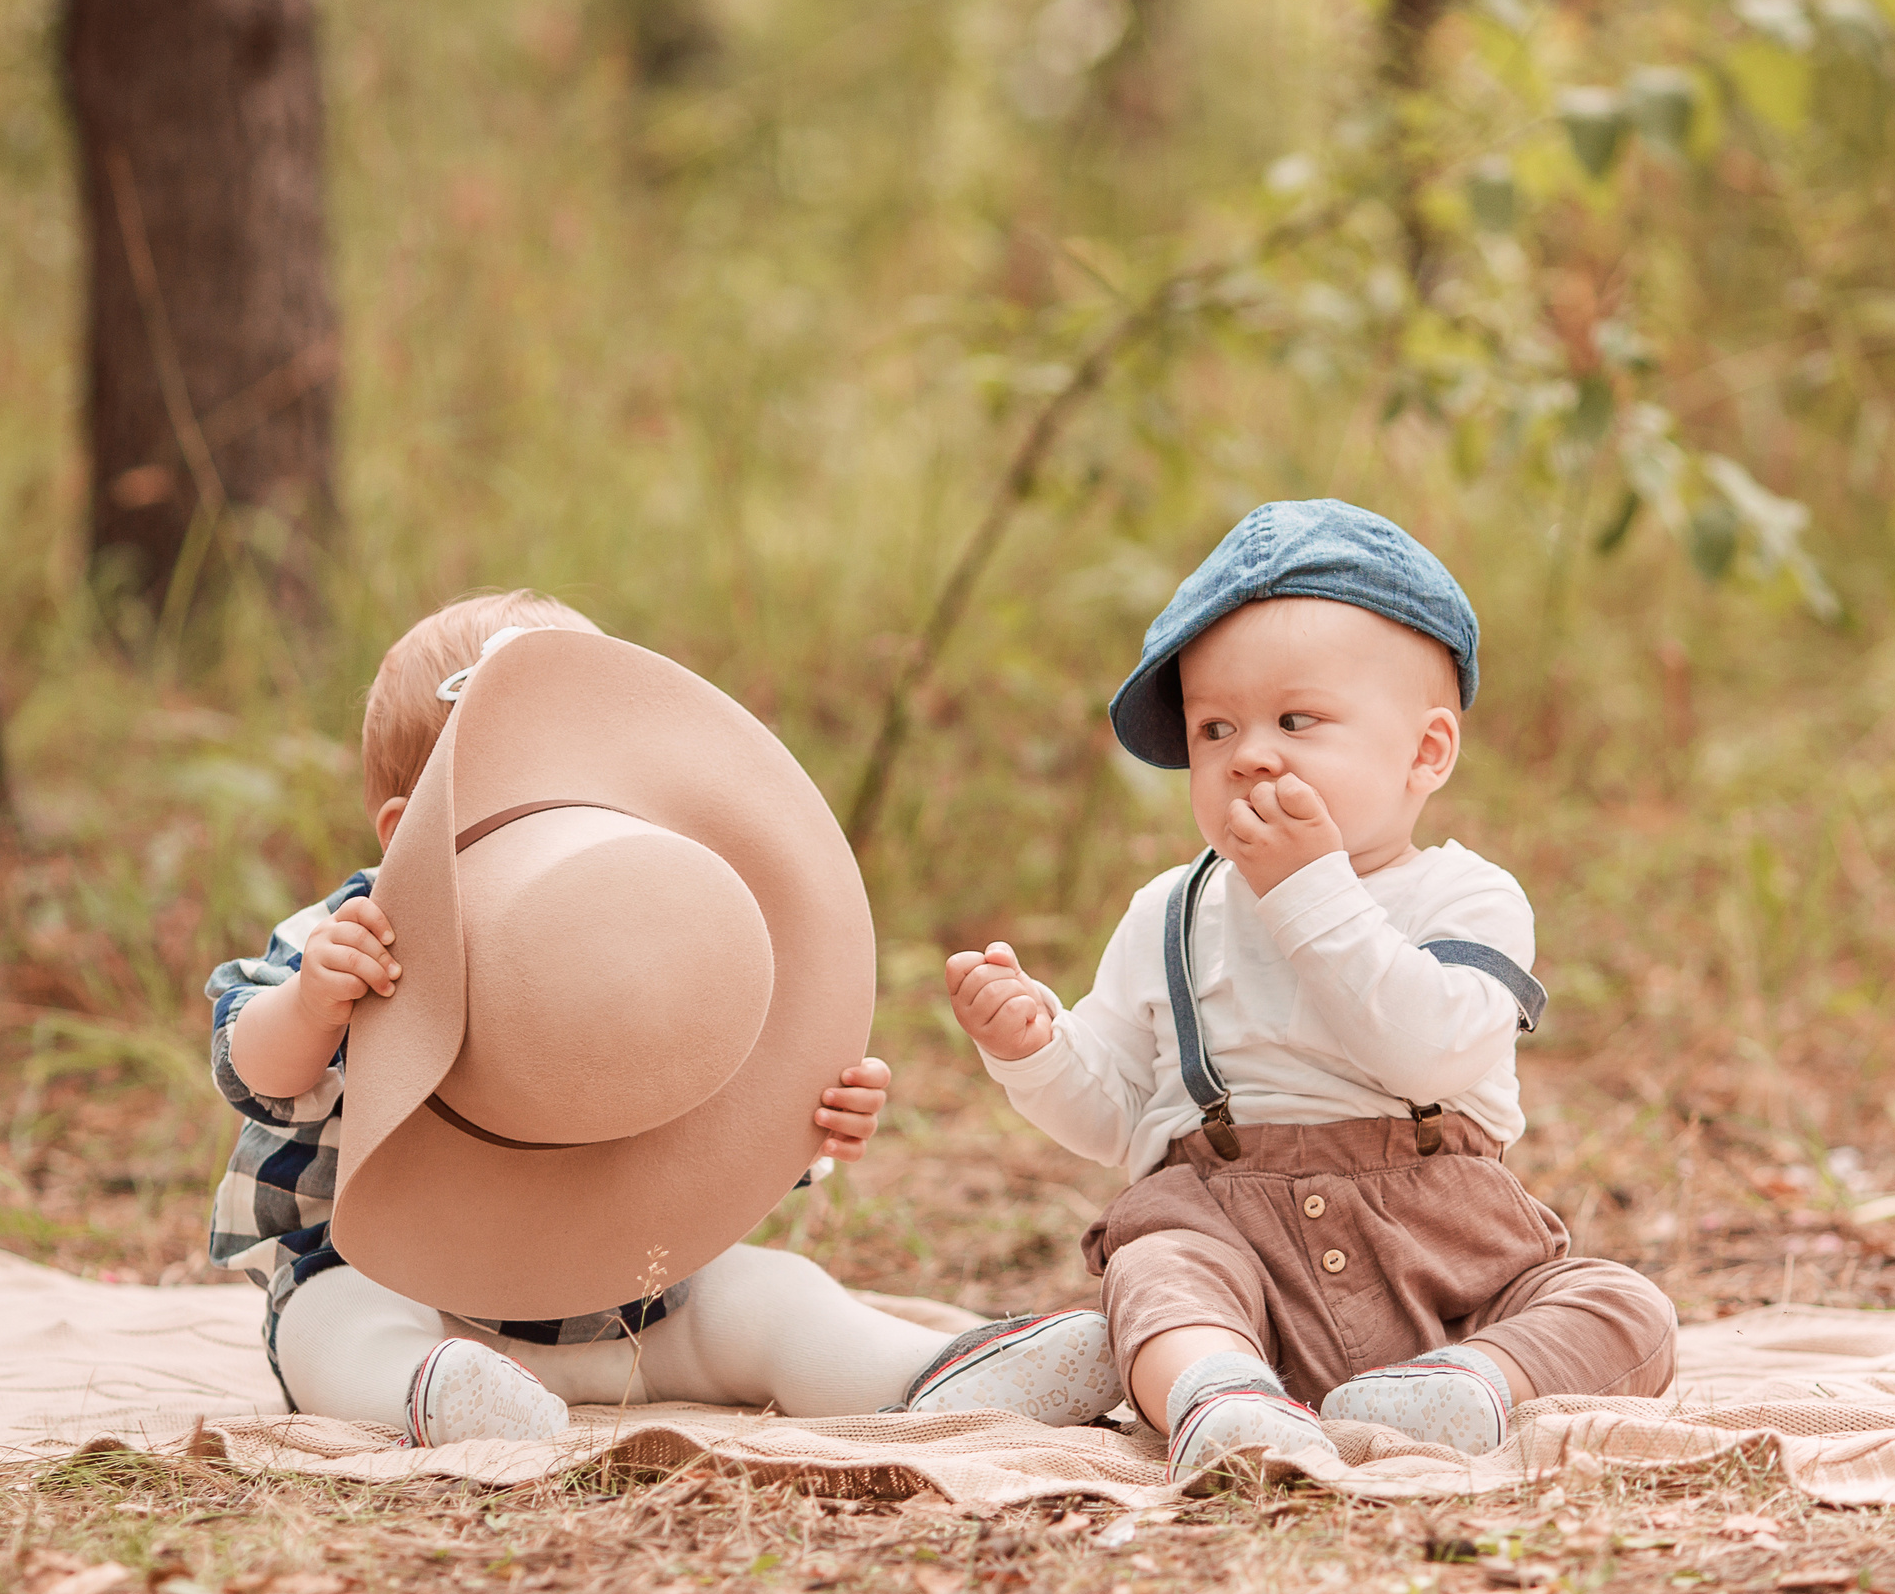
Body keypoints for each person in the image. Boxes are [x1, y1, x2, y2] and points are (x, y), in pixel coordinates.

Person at [210, 591, 1123, 1445]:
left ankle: (930, 1373)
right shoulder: (350, 937)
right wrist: (311, 1006)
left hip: (637, 1302)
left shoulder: (657, 916)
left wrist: (811, 1122)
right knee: (333, 1321)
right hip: (409, 1290)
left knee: (777, 1298)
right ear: (404, 830)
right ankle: (437, 1393)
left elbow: (714, 1126)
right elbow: (255, 1071)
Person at [944, 501, 1676, 1478]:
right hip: (1232, 1253)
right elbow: (1123, 1119)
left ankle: (1468, 1385)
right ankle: (1219, 1395)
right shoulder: (1171, 912)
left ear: (1426, 752)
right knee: (1157, 1265)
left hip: (1445, 1256)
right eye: (1215, 728)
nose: (1249, 754)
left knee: (1625, 1309)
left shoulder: (1467, 896)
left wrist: (1306, 888)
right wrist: (1033, 1050)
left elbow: (1427, 1052)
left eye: (1297, 721)